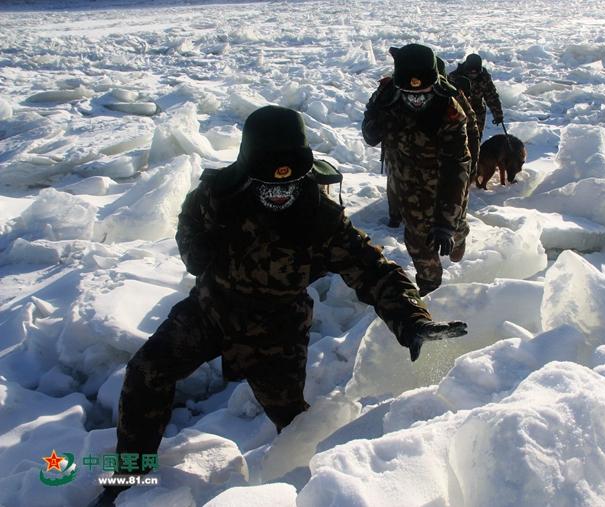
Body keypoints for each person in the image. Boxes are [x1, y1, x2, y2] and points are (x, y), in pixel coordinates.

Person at [89, 105, 467, 507]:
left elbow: (372, 268)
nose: (280, 193)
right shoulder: (218, 195)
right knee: (146, 372)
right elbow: (189, 222)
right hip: (211, 310)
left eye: (289, 183)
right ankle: (129, 475)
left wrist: (411, 317)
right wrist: (194, 251)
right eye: (269, 185)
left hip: (276, 329)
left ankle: (313, 491)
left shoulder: (318, 215)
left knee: (293, 424)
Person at [362, 43, 471, 296]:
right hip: (407, 186)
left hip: (443, 184)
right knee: (418, 242)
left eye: (424, 92)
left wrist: (445, 222)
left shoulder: (449, 110)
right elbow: (370, 137)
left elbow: (457, 166)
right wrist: (375, 108)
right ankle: (431, 290)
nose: (417, 99)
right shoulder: (388, 98)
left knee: (452, 228)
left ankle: (459, 233)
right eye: (410, 93)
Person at [448, 53, 503, 141]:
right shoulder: (454, 77)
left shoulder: (484, 78)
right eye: (470, 73)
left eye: (475, 73)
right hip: (458, 111)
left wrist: (498, 114)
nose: (473, 75)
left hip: (477, 111)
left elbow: (491, 96)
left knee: (475, 137)